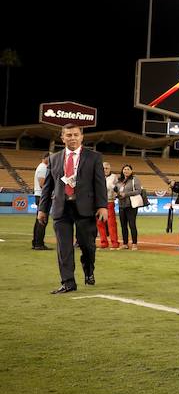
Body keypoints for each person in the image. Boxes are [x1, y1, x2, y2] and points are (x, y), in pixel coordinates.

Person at [37, 124, 107, 293]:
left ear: (82, 137)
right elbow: (48, 186)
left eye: (76, 134)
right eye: (68, 135)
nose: (72, 138)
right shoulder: (54, 159)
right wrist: (42, 209)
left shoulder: (94, 157)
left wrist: (102, 206)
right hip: (61, 208)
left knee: (87, 246)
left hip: (85, 209)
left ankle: (88, 270)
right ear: (63, 138)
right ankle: (68, 282)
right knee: (64, 248)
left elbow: (100, 184)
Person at [115, 164, 143, 250]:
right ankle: (125, 243)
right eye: (124, 169)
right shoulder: (119, 180)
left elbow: (139, 191)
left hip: (131, 205)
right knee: (123, 225)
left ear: (131, 171)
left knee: (132, 224)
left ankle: (134, 244)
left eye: (128, 169)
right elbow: (117, 190)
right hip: (121, 205)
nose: (126, 171)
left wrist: (126, 194)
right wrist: (117, 194)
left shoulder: (135, 179)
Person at [97, 161, 120, 249]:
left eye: (107, 168)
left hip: (109, 201)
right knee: (100, 223)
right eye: (103, 168)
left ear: (110, 169)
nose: (105, 170)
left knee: (111, 223)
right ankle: (104, 242)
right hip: (99, 202)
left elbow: (117, 188)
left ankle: (114, 243)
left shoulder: (114, 177)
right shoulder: (97, 176)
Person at [32, 152, 51, 250]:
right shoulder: (43, 167)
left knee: (39, 219)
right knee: (42, 219)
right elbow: (42, 184)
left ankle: (36, 242)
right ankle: (39, 243)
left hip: (40, 195)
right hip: (42, 196)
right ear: (45, 158)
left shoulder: (42, 167)